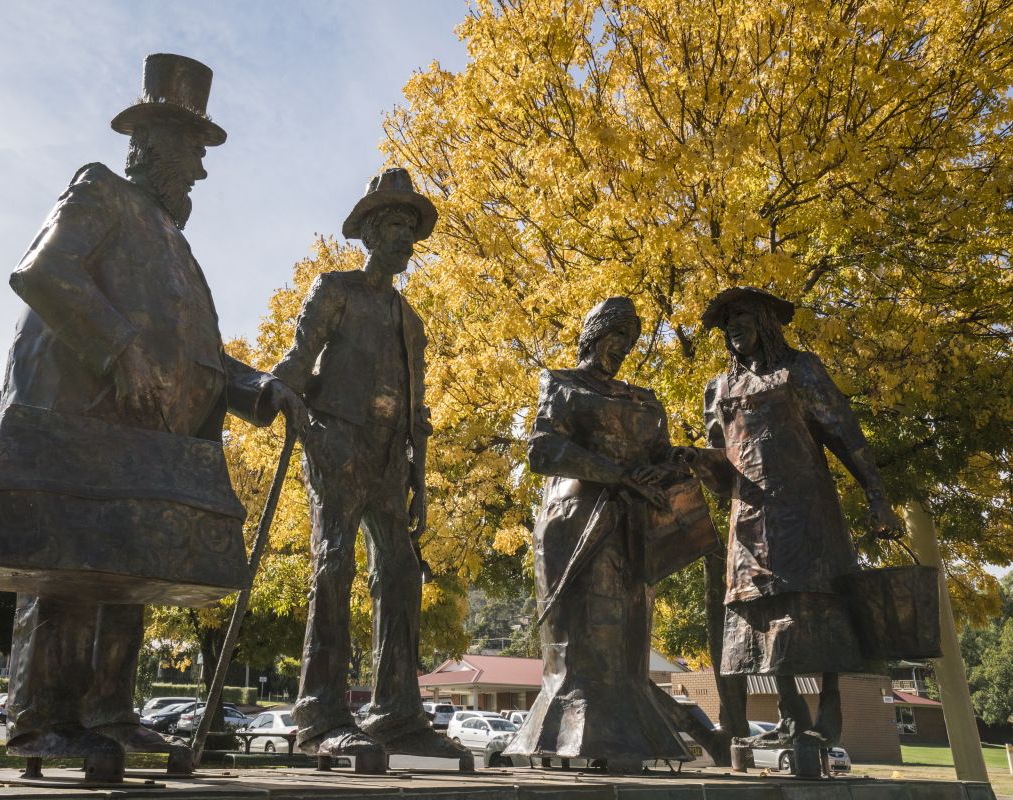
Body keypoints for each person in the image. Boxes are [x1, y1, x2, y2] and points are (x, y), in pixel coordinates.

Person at [0, 54, 305, 764]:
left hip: (150, 434)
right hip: (79, 415)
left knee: (128, 567)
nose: (200, 173)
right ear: (149, 144)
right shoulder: (100, 192)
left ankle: (108, 711)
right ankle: (43, 721)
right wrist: (119, 348)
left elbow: (195, 354)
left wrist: (256, 389)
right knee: (71, 564)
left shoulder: (176, 245)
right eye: (191, 154)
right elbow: (44, 270)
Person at [273, 168, 468, 770]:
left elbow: (418, 410)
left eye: (411, 228)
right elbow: (291, 372)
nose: (405, 239)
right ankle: (320, 714)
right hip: (337, 442)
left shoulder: (412, 322)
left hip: (391, 458)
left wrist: (420, 482)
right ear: (371, 232)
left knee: (403, 575)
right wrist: (309, 433)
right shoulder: (334, 290)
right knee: (332, 563)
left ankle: (397, 714)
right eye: (394, 225)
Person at [678, 287, 902, 772]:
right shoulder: (719, 390)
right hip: (750, 520)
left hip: (805, 509)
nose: (734, 327)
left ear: (764, 321)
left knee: (816, 598)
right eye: (727, 322)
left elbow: (845, 433)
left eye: (742, 316)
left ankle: (830, 702)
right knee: (759, 609)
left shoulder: (800, 371)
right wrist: (697, 459)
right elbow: (724, 474)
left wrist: (877, 496)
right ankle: (790, 709)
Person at [504, 297, 692, 772]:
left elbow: (663, 455)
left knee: (627, 639)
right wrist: (617, 474)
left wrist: (666, 469)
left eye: (629, 341)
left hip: (633, 530)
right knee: (582, 637)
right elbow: (543, 450)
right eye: (616, 337)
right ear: (594, 335)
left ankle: (629, 739)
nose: (622, 349)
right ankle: (570, 735)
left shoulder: (645, 398)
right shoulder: (561, 384)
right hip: (576, 525)